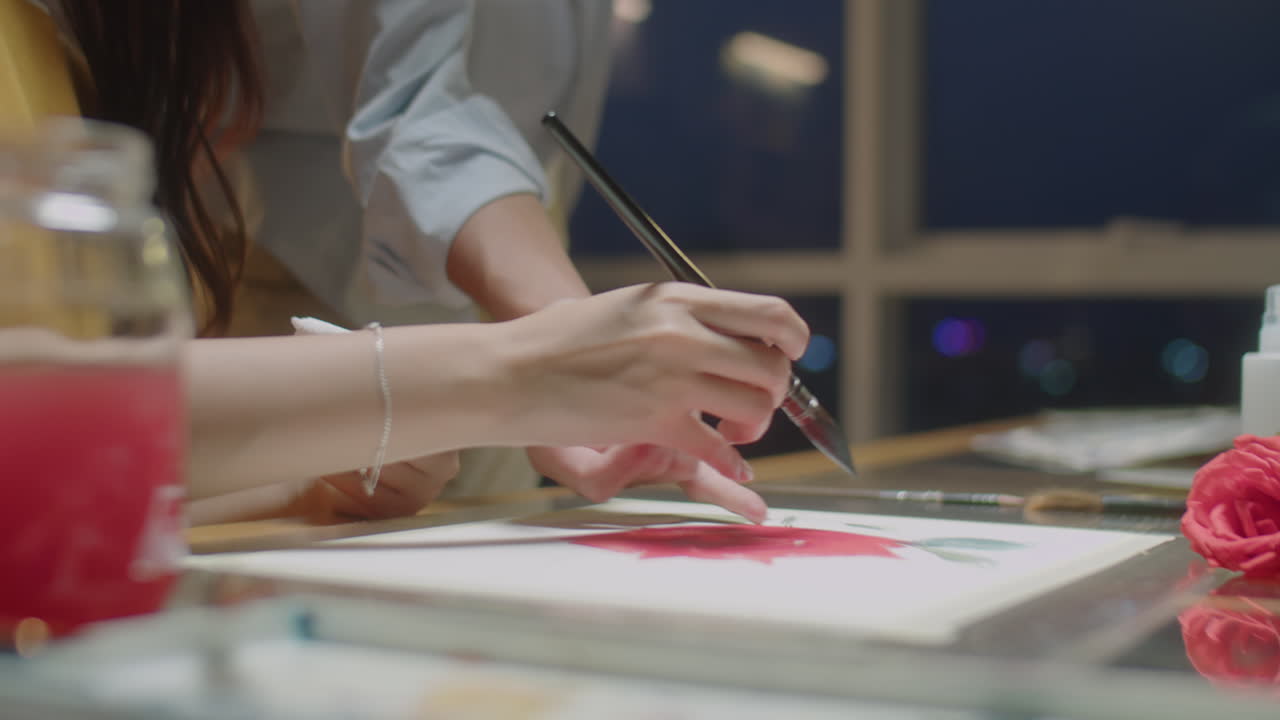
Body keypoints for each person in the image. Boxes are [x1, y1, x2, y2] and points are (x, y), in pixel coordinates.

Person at [54, 0, 808, 525]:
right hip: (298, 312)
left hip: (436, 341)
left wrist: (551, 354)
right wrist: (542, 357)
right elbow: (416, 111)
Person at [227, 0, 617, 512]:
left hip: (519, 293)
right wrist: (582, 340)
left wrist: (571, 341)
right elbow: (413, 107)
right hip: (313, 294)